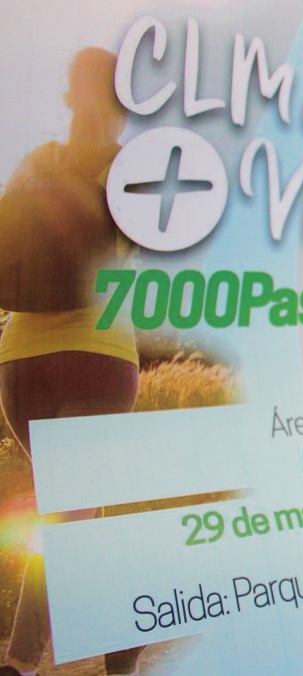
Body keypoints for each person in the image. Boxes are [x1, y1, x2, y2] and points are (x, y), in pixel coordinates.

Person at [0, 48, 143, 676]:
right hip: (97, 354)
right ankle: (22, 659)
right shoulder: (131, 171)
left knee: (79, 509)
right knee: (72, 512)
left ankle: (123, 649)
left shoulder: (33, 165)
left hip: (21, 363)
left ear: (67, 97)